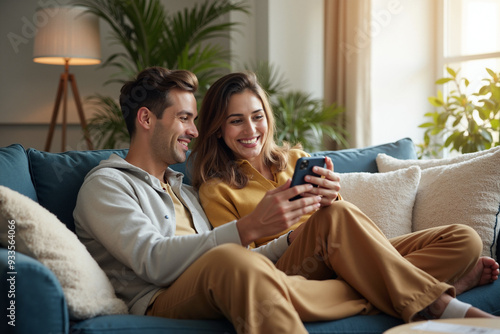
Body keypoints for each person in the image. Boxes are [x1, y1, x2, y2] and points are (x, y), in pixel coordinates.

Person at [74, 67, 497, 334]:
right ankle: (433, 299)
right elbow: (153, 260)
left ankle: (419, 296)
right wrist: (249, 228)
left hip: (252, 274)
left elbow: (247, 254)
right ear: (146, 119)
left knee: (335, 219)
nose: (194, 130)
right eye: (184, 118)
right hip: (164, 298)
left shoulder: (178, 187)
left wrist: (294, 239)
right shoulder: (107, 185)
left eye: (193, 119)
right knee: (236, 261)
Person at [190, 71, 499, 321]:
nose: (251, 128)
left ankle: (388, 290)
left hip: (343, 257)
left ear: (268, 118)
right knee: (335, 218)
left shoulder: (298, 159)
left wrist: (333, 198)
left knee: (464, 240)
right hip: (289, 269)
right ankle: (439, 301)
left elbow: (341, 222)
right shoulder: (216, 189)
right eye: (236, 120)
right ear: (218, 129)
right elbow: (237, 262)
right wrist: (294, 236)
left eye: (257, 116)